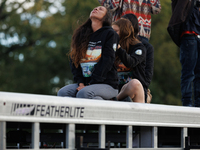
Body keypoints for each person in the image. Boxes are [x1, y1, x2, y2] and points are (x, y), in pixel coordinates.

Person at [58, 6, 119, 100]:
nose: (96, 9)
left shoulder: (110, 34)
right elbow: (74, 61)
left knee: (84, 93)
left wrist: (91, 84)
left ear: (106, 17)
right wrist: (81, 83)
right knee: (63, 92)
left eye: (100, 9)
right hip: (85, 84)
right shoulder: (81, 35)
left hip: (107, 85)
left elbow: (107, 60)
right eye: (95, 8)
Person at [168, 0, 200, 106]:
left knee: (198, 73)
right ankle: (187, 103)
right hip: (188, 35)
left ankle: (198, 103)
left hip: (197, 34)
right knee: (188, 72)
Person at [112, 18, 146, 103]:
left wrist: (119, 48)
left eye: (115, 31)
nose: (112, 34)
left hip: (134, 92)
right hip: (115, 89)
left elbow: (131, 62)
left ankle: (116, 100)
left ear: (124, 32)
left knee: (135, 83)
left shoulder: (138, 47)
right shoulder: (110, 47)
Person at [122, 13, 154, 103]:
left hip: (138, 87)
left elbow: (147, 77)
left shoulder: (146, 47)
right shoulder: (116, 44)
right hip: (117, 86)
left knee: (135, 87)